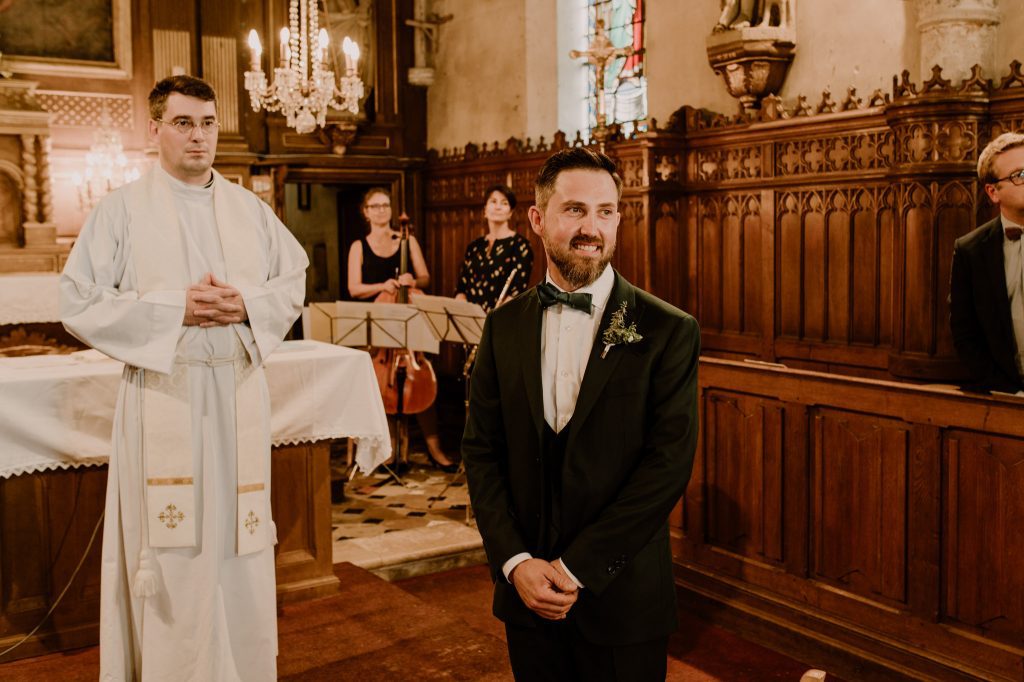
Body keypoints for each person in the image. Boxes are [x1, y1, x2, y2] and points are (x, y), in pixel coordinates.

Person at [59, 75, 308, 680]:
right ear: (155, 129)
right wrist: (178, 310)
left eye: (207, 123)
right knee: (174, 552)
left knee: (238, 543)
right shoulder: (120, 210)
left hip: (236, 395)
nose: (198, 136)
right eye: (182, 123)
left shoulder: (250, 209)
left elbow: (292, 282)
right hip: (165, 396)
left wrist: (246, 305)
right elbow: (77, 301)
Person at [462, 147, 700, 680]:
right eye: (574, 210)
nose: (592, 227)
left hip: (622, 600)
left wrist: (575, 570)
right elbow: (482, 452)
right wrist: (515, 563)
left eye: (606, 211)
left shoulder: (668, 330)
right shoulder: (503, 328)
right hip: (527, 601)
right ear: (538, 219)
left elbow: (666, 468)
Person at [347, 186, 458, 472]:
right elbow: (354, 288)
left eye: (386, 205)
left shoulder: (408, 240)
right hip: (378, 326)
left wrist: (412, 280)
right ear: (366, 212)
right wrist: (381, 286)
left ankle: (434, 447)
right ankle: (385, 449)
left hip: (409, 325)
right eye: (375, 206)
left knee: (420, 379)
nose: (382, 210)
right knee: (377, 386)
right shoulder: (359, 246)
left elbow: (425, 278)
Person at [950, 132, 1024, 394]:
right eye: (1020, 176)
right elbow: (965, 333)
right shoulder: (970, 250)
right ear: (993, 192)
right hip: (1003, 395)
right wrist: (1006, 391)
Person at [455, 184, 534, 311]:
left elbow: (517, 291)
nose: (498, 207)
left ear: (510, 213)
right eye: (493, 201)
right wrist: (464, 315)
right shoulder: (474, 246)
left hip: (503, 319)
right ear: (485, 210)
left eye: (504, 203)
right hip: (471, 320)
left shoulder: (520, 245)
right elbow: (461, 288)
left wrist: (492, 319)